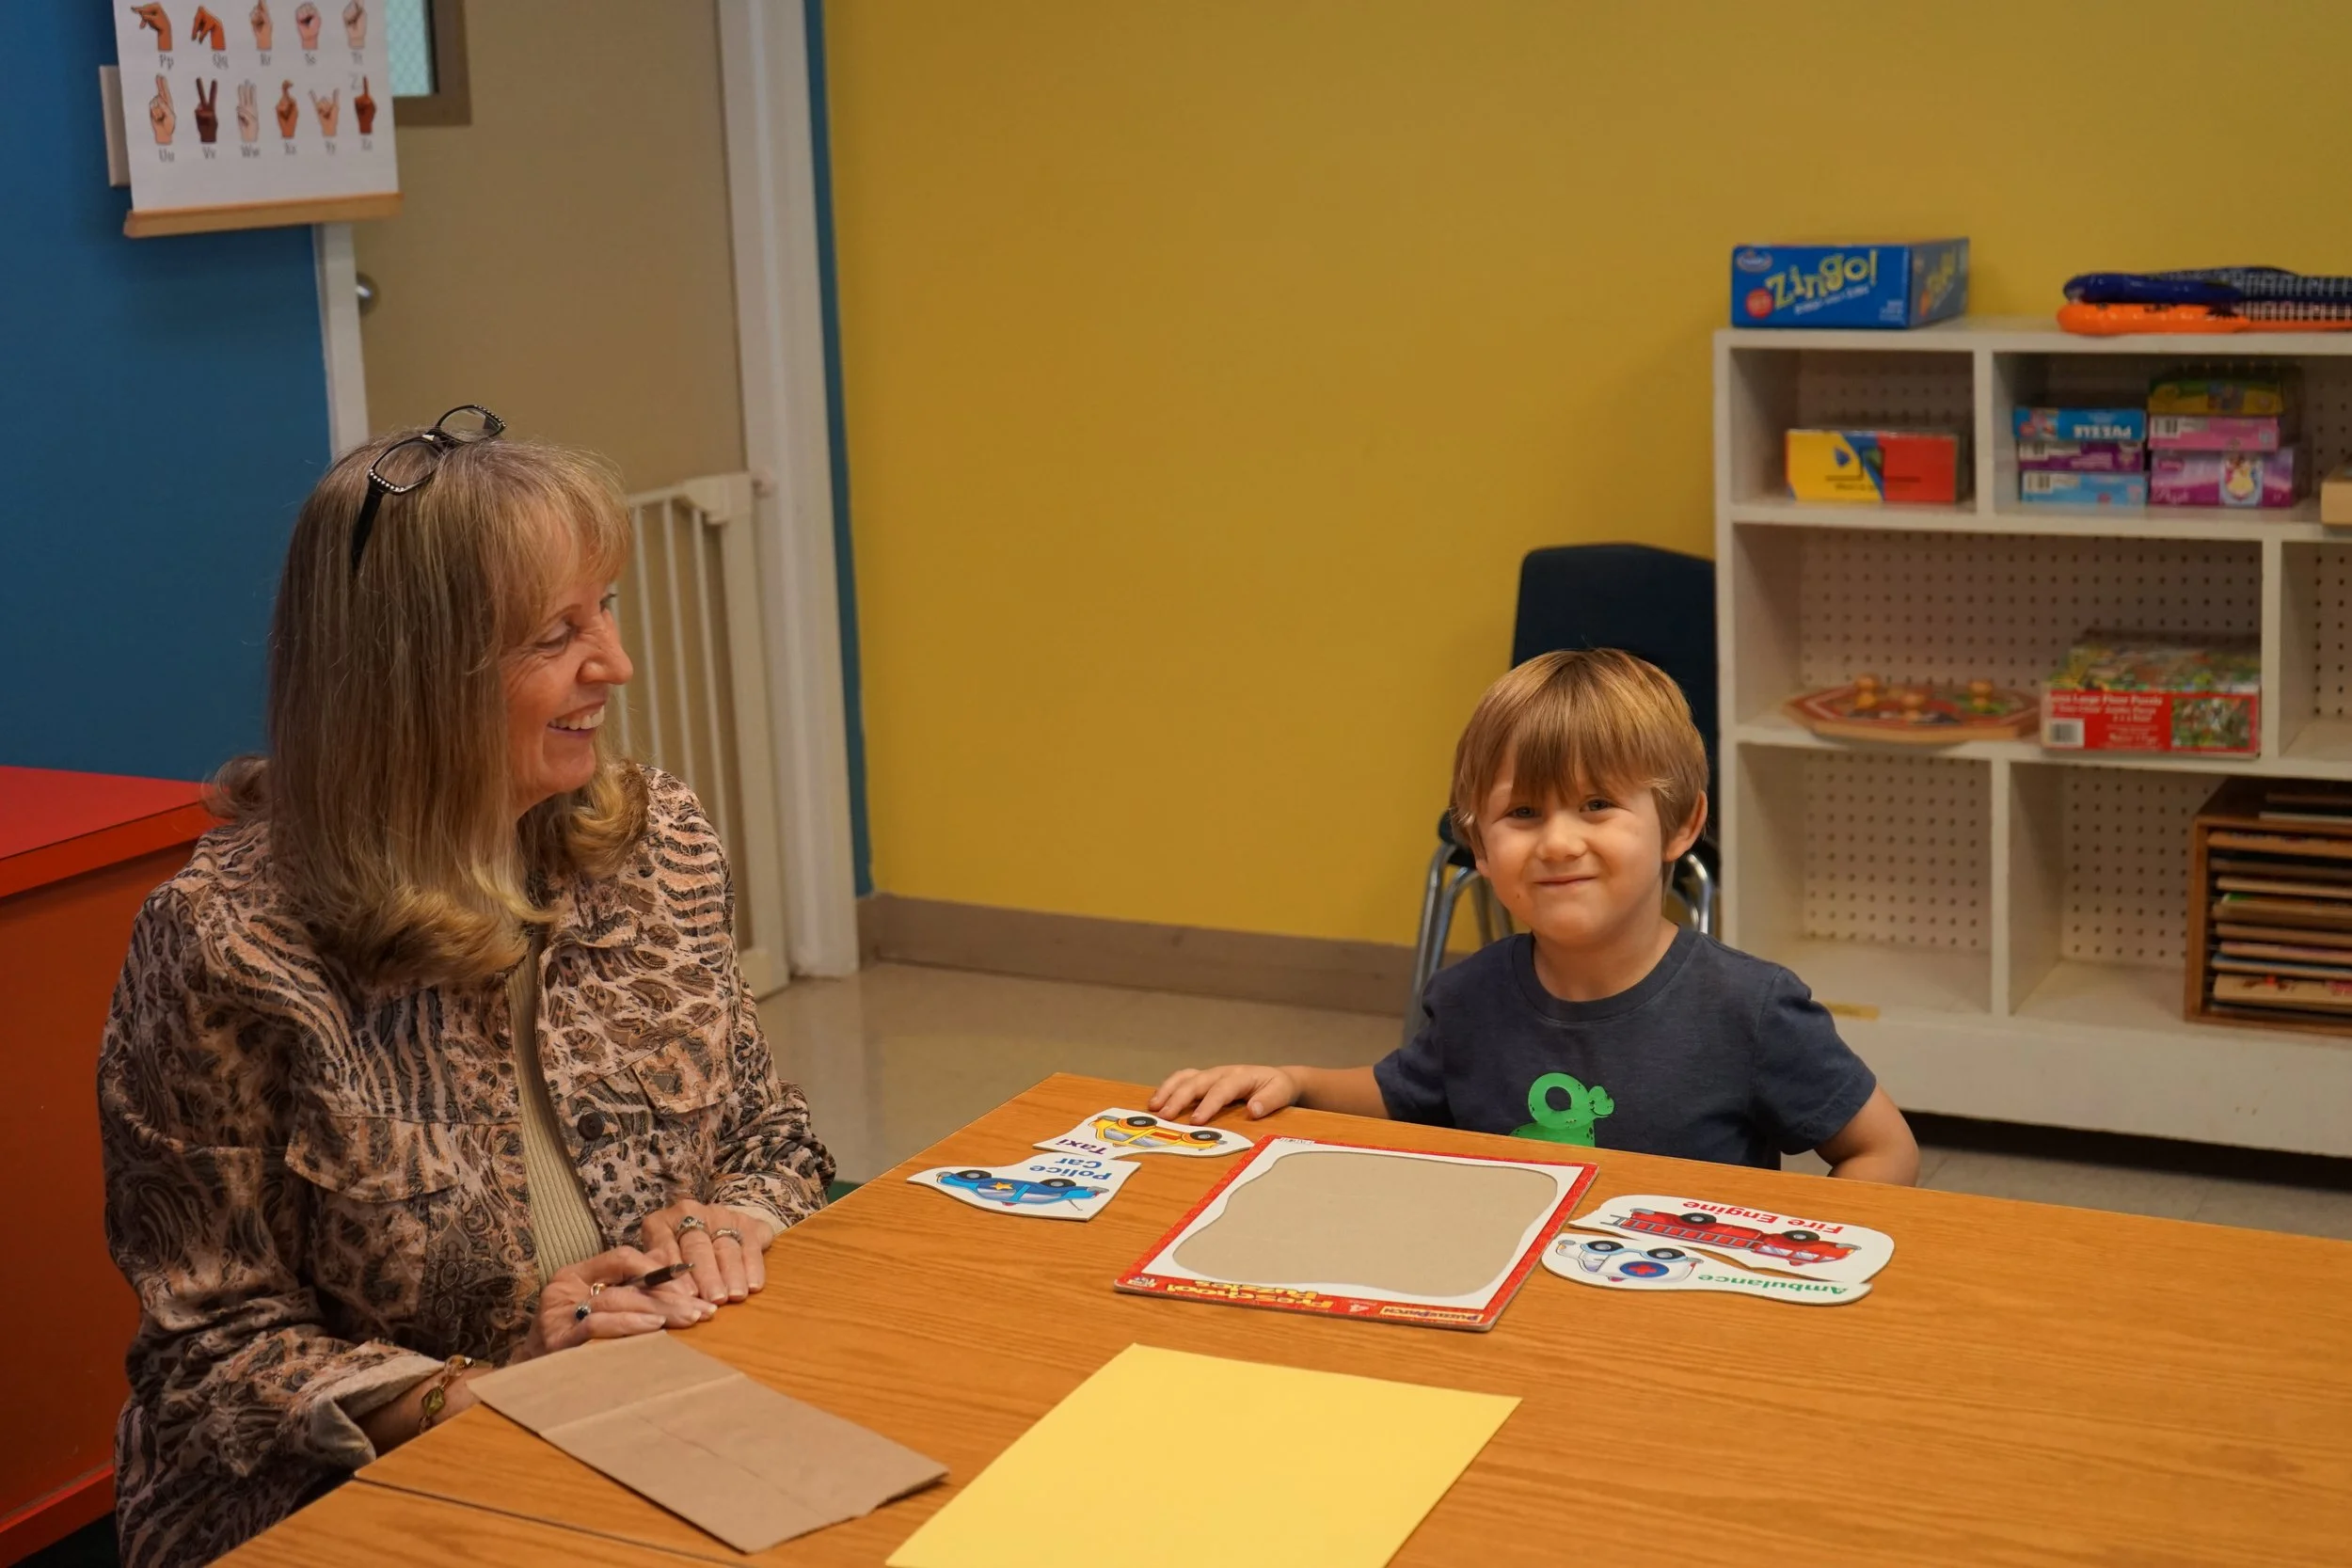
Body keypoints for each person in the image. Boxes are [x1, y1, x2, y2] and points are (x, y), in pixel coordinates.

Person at [99, 409, 835, 1568]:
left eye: (607, 607)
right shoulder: (227, 940)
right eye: (557, 633)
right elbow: (213, 1352)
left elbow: (772, 1135)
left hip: (666, 1415)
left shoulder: (656, 841)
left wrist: (726, 1223)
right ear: (411, 680)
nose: (616, 663)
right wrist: (474, 1392)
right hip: (351, 1498)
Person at [1152, 648, 1918, 1183]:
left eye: (1596, 805)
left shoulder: (1751, 1008)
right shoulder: (1467, 997)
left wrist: (1799, 1254)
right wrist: (1292, 1078)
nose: (1558, 841)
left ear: (1681, 827)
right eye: (1522, 811)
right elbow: (1400, 1095)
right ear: (1479, 845)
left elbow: (1884, 1150)